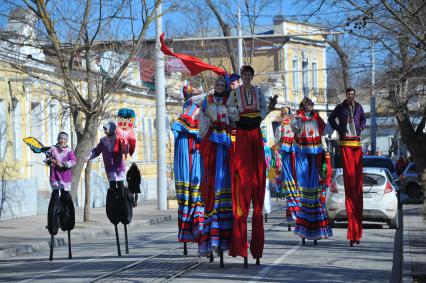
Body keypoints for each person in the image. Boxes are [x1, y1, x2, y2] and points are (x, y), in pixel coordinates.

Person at [227, 65, 267, 265]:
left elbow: (264, 108)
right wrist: (237, 120)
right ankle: (240, 244)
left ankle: (256, 247)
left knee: (258, 174)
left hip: (255, 133)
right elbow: (230, 110)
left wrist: (260, 117)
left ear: (252, 76)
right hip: (243, 132)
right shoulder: (235, 93)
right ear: (241, 77)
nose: (247, 77)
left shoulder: (258, 91)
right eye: (244, 75)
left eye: (250, 74)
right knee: (242, 174)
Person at [198, 76, 233, 258]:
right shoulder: (207, 101)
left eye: (222, 84)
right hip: (212, 143)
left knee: (227, 183)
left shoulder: (230, 100)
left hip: (227, 144)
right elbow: (202, 121)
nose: (219, 86)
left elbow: (235, 119)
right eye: (217, 84)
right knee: (211, 183)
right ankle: (211, 237)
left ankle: (228, 237)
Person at [328, 87, 366, 246]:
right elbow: (331, 120)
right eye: (348, 94)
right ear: (346, 95)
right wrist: (339, 129)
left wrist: (361, 128)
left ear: (354, 95)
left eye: (352, 94)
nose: (350, 96)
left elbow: (363, 119)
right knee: (349, 181)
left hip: (356, 142)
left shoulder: (359, 107)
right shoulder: (340, 107)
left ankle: (357, 233)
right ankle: (352, 233)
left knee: (357, 184)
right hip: (345, 143)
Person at [292, 97, 332, 244]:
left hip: (315, 155)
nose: (309, 106)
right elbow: (294, 129)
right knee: (304, 192)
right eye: (307, 104)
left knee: (314, 193)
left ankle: (316, 229)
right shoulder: (298, 117)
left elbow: (325, 130)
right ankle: (304, 228)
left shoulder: (317, 118)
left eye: (311, 104)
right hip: (303, 154)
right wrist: (298, 122)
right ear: (303, 106)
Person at [171, 83, 205, 243]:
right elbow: (201, 98)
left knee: (197, 190)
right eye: (196, 93)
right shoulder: (190, 107)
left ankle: (197, 227)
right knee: (192, 191)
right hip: (188, 151)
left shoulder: (199, 111)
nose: (199, 95)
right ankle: (194, 228)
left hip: (196, 150)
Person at [274, 106, 299, 230]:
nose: (284, 115)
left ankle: (297, 214)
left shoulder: (294, 125)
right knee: (289, 188)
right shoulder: (279, 128)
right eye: (282, 113)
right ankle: (292, 214)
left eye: (285, 113)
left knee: (297, 185)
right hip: (286, 159)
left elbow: (299, 135)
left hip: (296, 156)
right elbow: (277, 144)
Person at [89, 121, 126, 190]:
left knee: (121, 187)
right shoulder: (103, 141)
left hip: (119, 168)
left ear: (112, 129)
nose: (105, 131)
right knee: (112, 188)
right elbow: (96, 151)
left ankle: (123, 200)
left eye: (106, 129)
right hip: (110, 168)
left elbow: (125, 150)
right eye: (104, 129)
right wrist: (88, 156)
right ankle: (113, 200)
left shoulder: (119, 139)